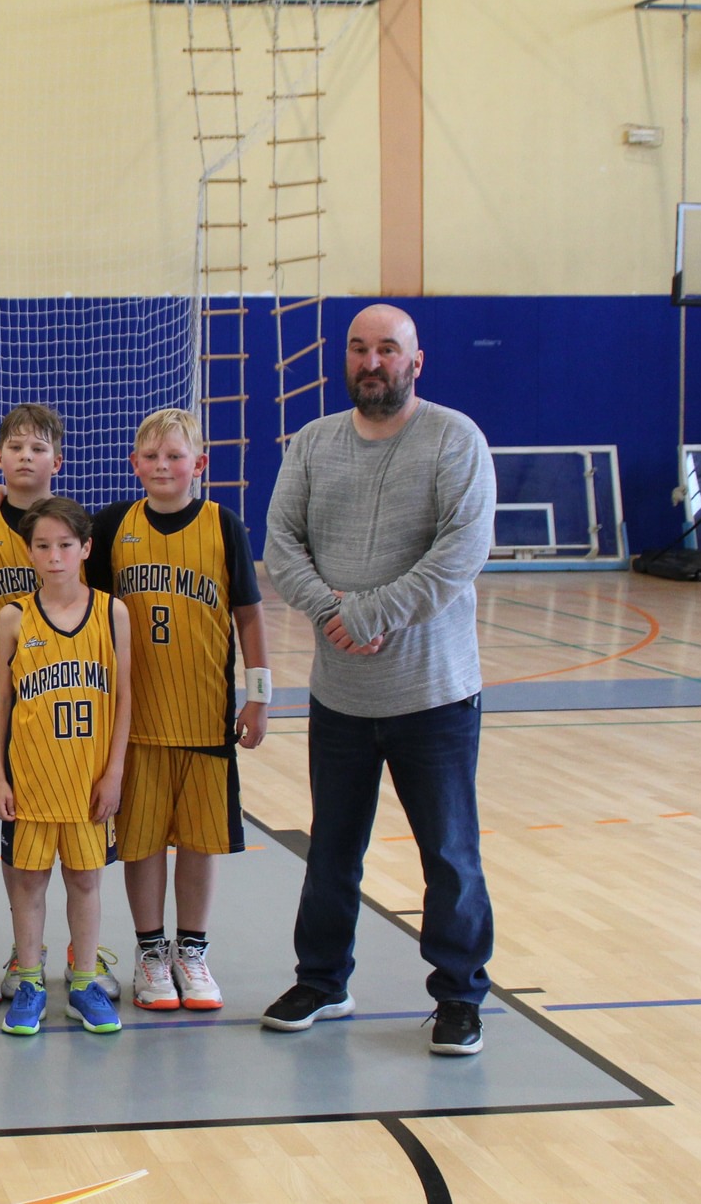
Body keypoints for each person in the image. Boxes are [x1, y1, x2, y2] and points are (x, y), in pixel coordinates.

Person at [259, 303, 497, 1056]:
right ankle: (323, 980)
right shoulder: (313, 442)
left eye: (387, 349)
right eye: (359, 348)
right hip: (341, 699)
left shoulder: (455, 439)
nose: (371, 362)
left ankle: (459, 994)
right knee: (332, 849)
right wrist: (333, 611)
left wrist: (370, 614)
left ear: (415, 361)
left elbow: (461, 551)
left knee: (449, 854)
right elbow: (281, 542)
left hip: (434, 696)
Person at [90, 409, 268, 1013]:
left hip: (204, 717)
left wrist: (260, 696)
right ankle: (150, 952)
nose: (162, 466)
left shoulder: (224, 525)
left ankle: (191, 950)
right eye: (151, 456)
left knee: (200, 841)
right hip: (134, 723)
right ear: (134, 464)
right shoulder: (113, 525)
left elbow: (250, 616)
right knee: (139, 843)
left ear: (200, 464)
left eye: (174, 456)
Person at [0, 404, 122, 1002]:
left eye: (38, 448)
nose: (26, 457)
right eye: (16, 447)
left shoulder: (78, 529)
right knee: (21, 848)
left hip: (80, 719)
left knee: (84, 864)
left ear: (58, 459)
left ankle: (85, 953)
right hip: (17, 713)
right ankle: (25, 952)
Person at [0, 499, 130, 1037]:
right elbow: (1, 701)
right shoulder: (13, 617)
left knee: (86, 881)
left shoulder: (112, 613)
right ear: (28, 552)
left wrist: (114, 772)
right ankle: (30, 982)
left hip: (89, 779)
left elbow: (125, 696)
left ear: (86, 548)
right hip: (31, 781)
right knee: (28, 882)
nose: (54, 556)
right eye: (43, 546)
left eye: (65, 545)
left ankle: (85, 984)